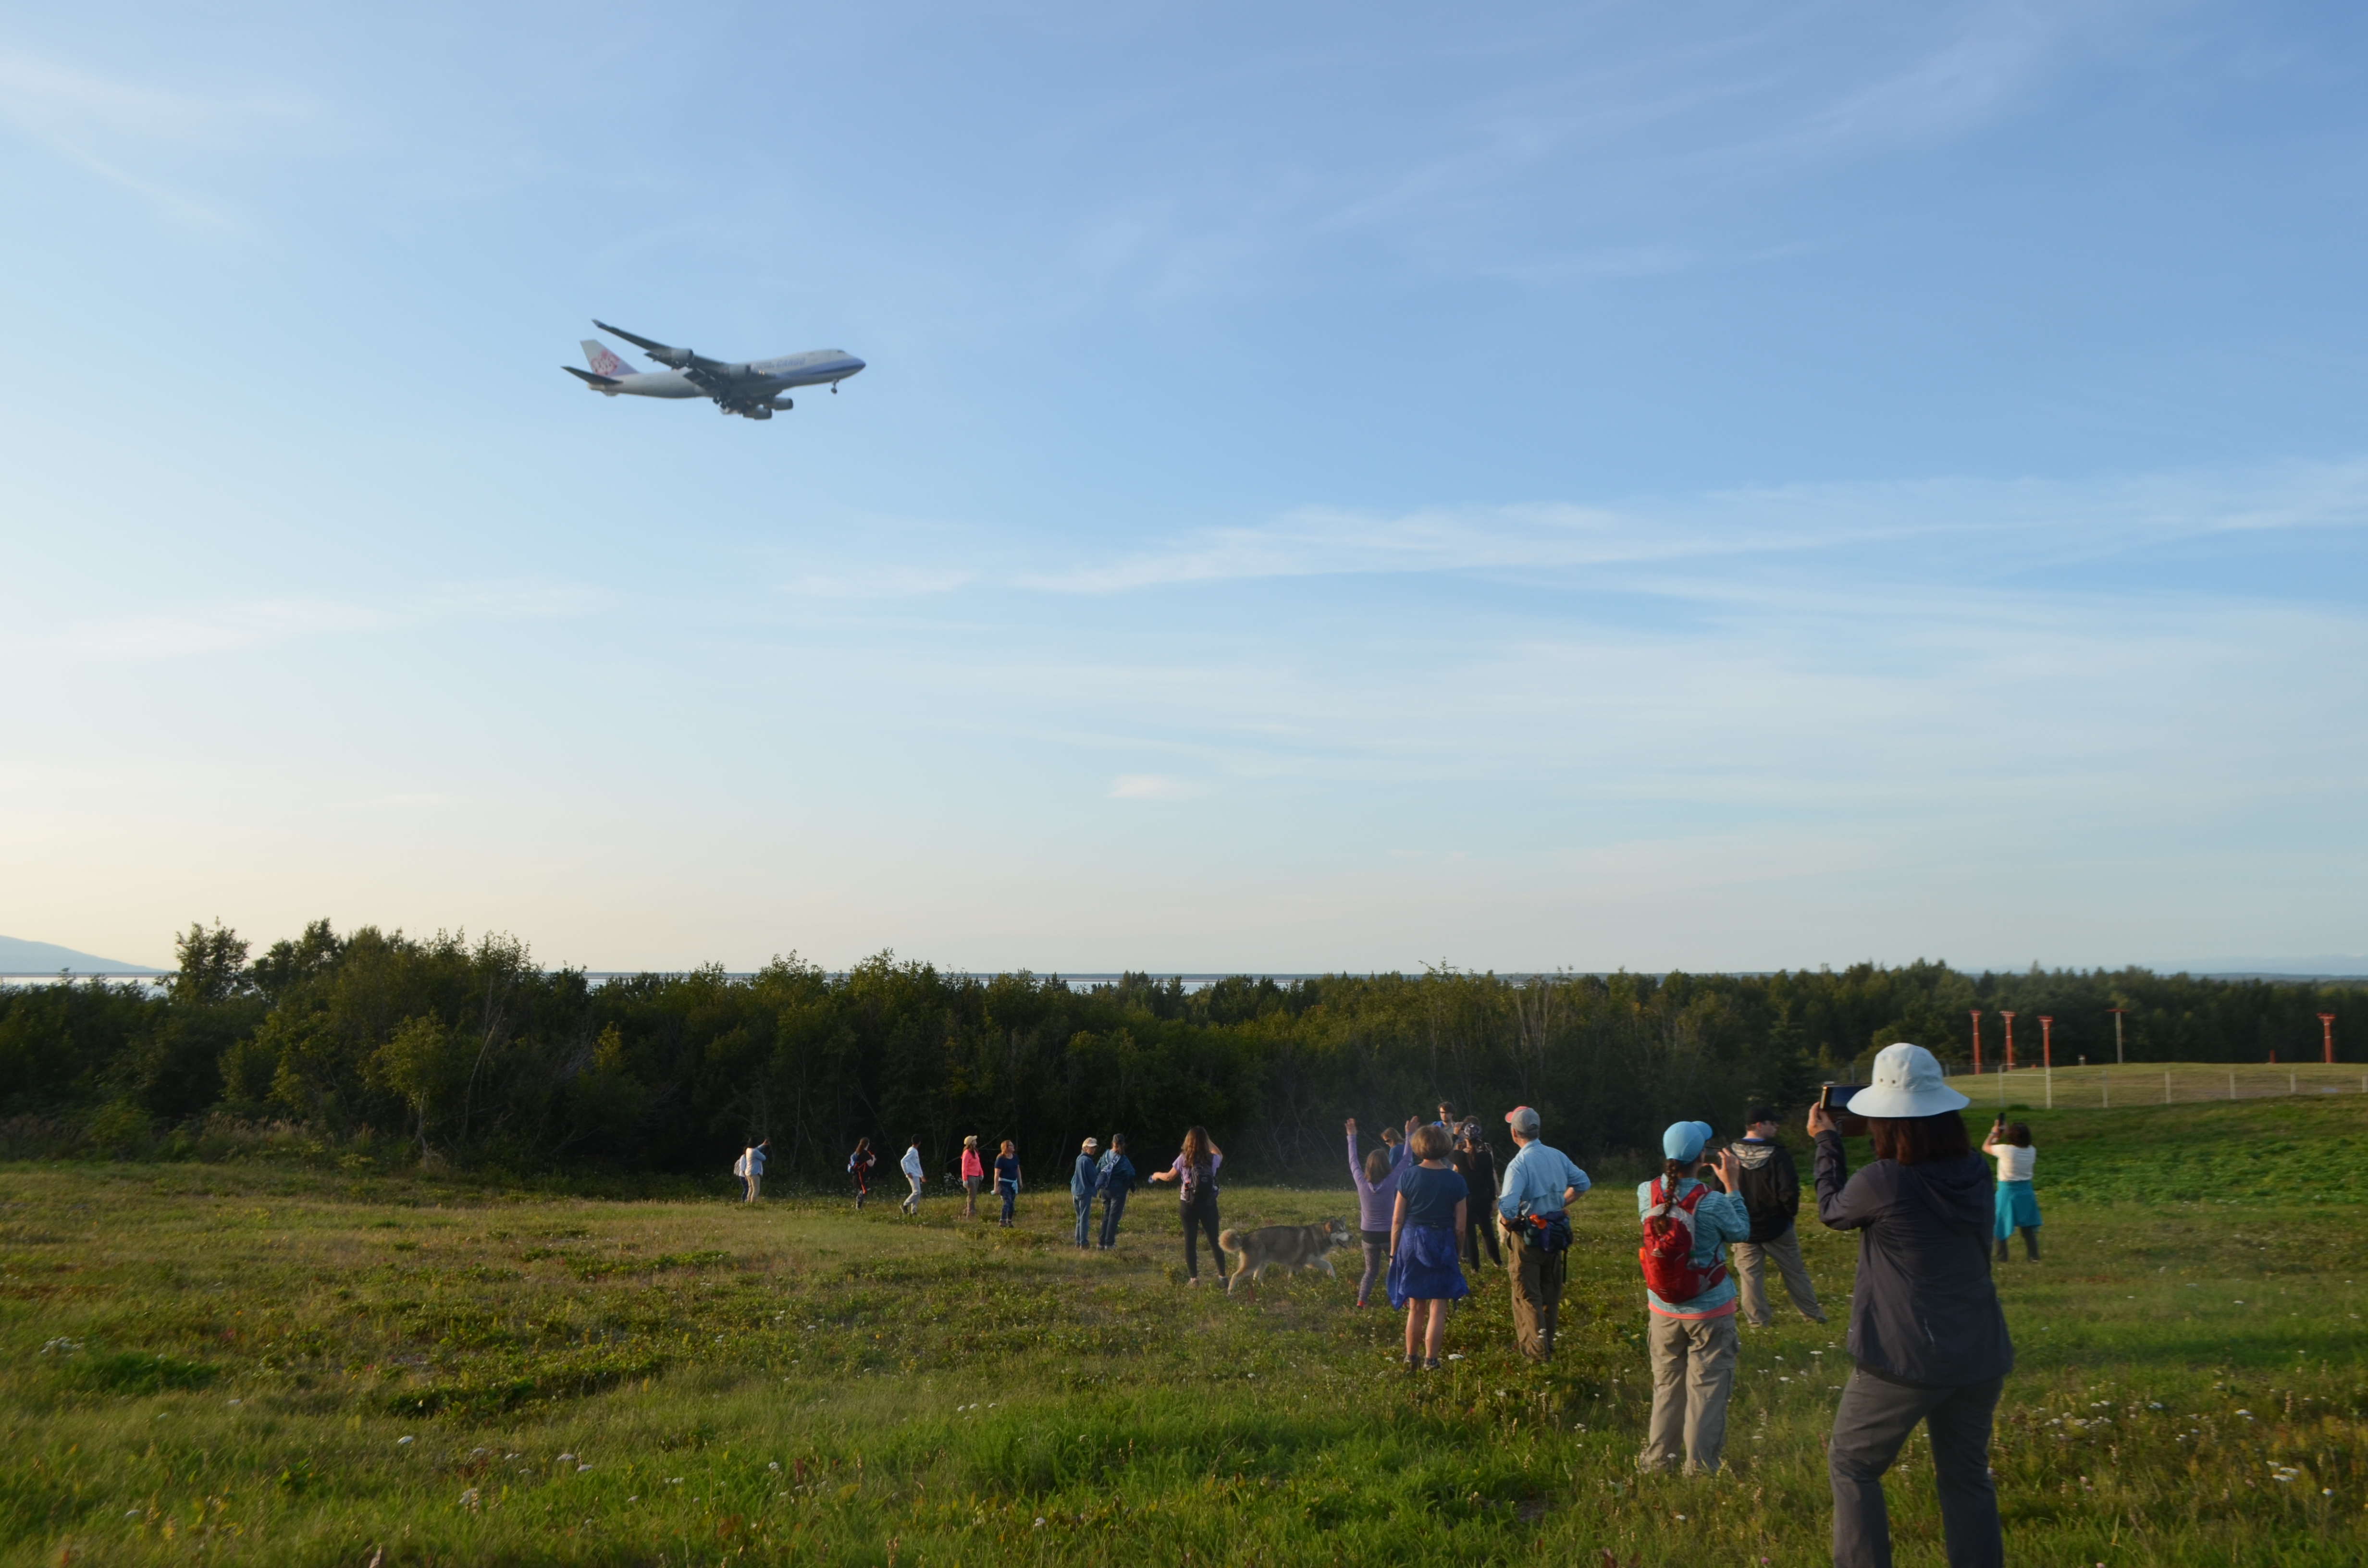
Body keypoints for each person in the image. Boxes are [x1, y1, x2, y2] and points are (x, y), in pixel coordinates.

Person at [1812, 1042, 2012, 1568]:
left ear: (1884, 1119)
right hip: (1980, 1350)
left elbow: (1832, 1211)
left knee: (1852, 1464)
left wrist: (1828, 1142)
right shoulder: (1976, 1170)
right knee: (1967, 1477)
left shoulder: (1884, 1181)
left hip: (1905, 1356)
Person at [1636, 1120, 1751, 1475]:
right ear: (1703, 1157)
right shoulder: (1712, 1201)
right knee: (1707, 1391)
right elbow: (1741, 1232)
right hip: (1710, 1309)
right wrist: (1733, 1186)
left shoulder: (1645, 1192)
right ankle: (1700, 1470)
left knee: (1667, 1386)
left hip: (1663, 1308)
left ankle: (1658, 1463)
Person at [1495, 1105, 1590, 1361]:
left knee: (1527, 1296)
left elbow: (1507, 1207)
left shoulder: (1519, 1164)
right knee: (1550, 1293)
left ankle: (1537, 1355)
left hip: (1528, 1237)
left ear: (1514, 1133)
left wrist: (1509, 1221)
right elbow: (1583, 1183)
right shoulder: (1557, 1156)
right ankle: (1547, 1344)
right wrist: (1560, 1204)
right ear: (1538, 1130)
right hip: (1555, 1234)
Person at [1729, 1105, 1828, 1326]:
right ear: (1759, 1125)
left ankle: (1757, 1323)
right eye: (1773, 1123)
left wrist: (1732, 1221)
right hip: (1778, 1227)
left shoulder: (1729, 1155)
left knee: (1750, 1277)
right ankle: (1813, 1316)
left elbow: (1720, 1191)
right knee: (1795, 1273)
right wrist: (1789, 1217)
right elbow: (1789, 1192)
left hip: (1743, 1229)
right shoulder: (1778, 1155)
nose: (1777, 1127)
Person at [1386, 1122, 1468, 1368]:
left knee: (1415, 1306)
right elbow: (1461, 1226)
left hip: (1412, 1242)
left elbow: (1397, 1220)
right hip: (1442, 1243)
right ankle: (1431, 1361)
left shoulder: (1408, 1176)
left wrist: (1394, 1252)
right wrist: (1458, 1251)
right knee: (1439, 1307)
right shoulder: (1456, 1180)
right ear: (1445, 1146)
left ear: (1418, 1147)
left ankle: (1410, 1357)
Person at [1146, 1126, 1228, 1285]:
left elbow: (1169, 1177)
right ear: (1206, 1141)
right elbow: (1219, 1154)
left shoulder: (1184, 1158)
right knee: (1215, 1240)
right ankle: (1223, 1277)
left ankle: (1194, 1280)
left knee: (1190, 1242)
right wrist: (1206, 1139)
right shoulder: (1212, 1159)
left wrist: (1156, 1175)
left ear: (1188, 1141)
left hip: (1188, 1204)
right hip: (1209, 1203)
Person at [1344, 1117, 1405, 1308]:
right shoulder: (1391, 1181)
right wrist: (1410, 1135)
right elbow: (1406, 1160)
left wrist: (1352, 1136)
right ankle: (1402, 1301)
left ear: (1369, 1165)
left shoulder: (1361, 1182)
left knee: (1370, 1271)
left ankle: (1362, 1301)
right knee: (1397, 1268)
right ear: (1386, 1164)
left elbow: (1353, 1160)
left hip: (1368, 1235)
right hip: (1389, 1234)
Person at [1981, 1119, 2041, 1261]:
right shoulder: (2032, 1151)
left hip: (2007, 1191)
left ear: (2012, 1137)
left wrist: (1994, 1133)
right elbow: (2017, 1141)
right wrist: (2007, 1131)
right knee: (2027, 1225)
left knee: (2000, 1223)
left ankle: (2002, 1257)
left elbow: (1986, 1147)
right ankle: (2033, 1256)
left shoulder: (2005, 1150)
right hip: (2026, 1191)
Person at [1453, 1120, 1502, 1269]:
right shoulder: (1486, 1157)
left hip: (1466, 1200)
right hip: (1483, 1198)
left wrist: (1455, 1136)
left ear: (1465, 1137)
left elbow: (1446, 1152)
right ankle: (1498, 1262)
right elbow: (1490, 1181)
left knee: (1471, 1235)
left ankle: (1475, 1268)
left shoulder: (1459, 1156)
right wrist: (1493, 1200)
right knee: (1488, 1232)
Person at [1095, 1134, 1136, 1249]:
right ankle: (1109, 1243)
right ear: (1123, 1144)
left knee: (1106, 1215)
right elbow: (1131, 1173)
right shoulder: (1123, 1159)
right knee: (1114, 1217)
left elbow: (1097, 1169)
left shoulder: (1105, 1155)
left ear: (1113, 1143)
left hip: (1104, 1189)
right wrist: (1126, 1184)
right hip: (1118, 1190)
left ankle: (1101, 1243)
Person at [1070, 1137, 1102, 1248]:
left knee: (1079, 1219)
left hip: (1076, 1191)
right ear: (1085, 1148)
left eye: (1094, 1148)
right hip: (1084, 1192)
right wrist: (1101, 1183)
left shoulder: (1079, 1158)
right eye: (1091, 1147)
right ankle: (1084, 1243)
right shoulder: (1088, 1161)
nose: (1093, 1150)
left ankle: (1078, 1242)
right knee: (1084, 1219)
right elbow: (1093, 1178)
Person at [992, 1139, 1022, 1227]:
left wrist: (1020, 1181)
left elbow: (1018, 1170)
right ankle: (1002, 1220)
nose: (1013, 1147)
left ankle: (1009, 1221)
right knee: (1007, 1201)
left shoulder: (1015, 1157)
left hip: (1013, 1184)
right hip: (1004, 1184)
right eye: (1011, 1145)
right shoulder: (1001, 1159)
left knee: (1012, 1204)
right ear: (1006, 1148)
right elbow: (997, 1174)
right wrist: (996, 1187)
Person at [733, 1139, 768, 1203]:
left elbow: (756, 1149)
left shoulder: (748, 1150)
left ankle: (748, 1202)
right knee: (756, 1190)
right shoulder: (755, 1152)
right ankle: (752, 1204)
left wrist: (763, 1145)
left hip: (748, 1173)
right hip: (754, 1173)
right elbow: (764, 1158)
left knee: (751, 1189)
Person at [960, 1135, 986, 1220]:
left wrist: (981, 1173)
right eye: (974, 1140)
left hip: (976, 1176)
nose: (976, 1141)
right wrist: (965, 1179)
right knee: (972, 1196)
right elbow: (964, 1167)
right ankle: (971, 1213)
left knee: (972, 1194)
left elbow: (978, 1164)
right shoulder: (967, 1153)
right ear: (971, 1142)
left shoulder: (974, 1151)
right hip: (970, 1177)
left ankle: (966, 1210)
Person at [899, 1137, 925, 1216]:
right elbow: (903, 1161)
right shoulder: (912, 1150)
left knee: (918, 1193)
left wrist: (921, 1175)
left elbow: (917, 1165)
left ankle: (914, 1211)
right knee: (917, 1192)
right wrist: (907, 1173)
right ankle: (905, 1205)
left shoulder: (915, 1151)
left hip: (916, 1174)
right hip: (912, 1175)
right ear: (919, 1142)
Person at [848, 1137, 876, 1210]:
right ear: (868, 1144)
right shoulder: (865, 1153)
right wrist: (873, 1158)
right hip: (862, 1176)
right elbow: (870, 1164)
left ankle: (859, 1207)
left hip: (857, 1175)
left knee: (861, 1190)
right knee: (863, 1190)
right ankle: (858, 1206)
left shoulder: (858, 1152)